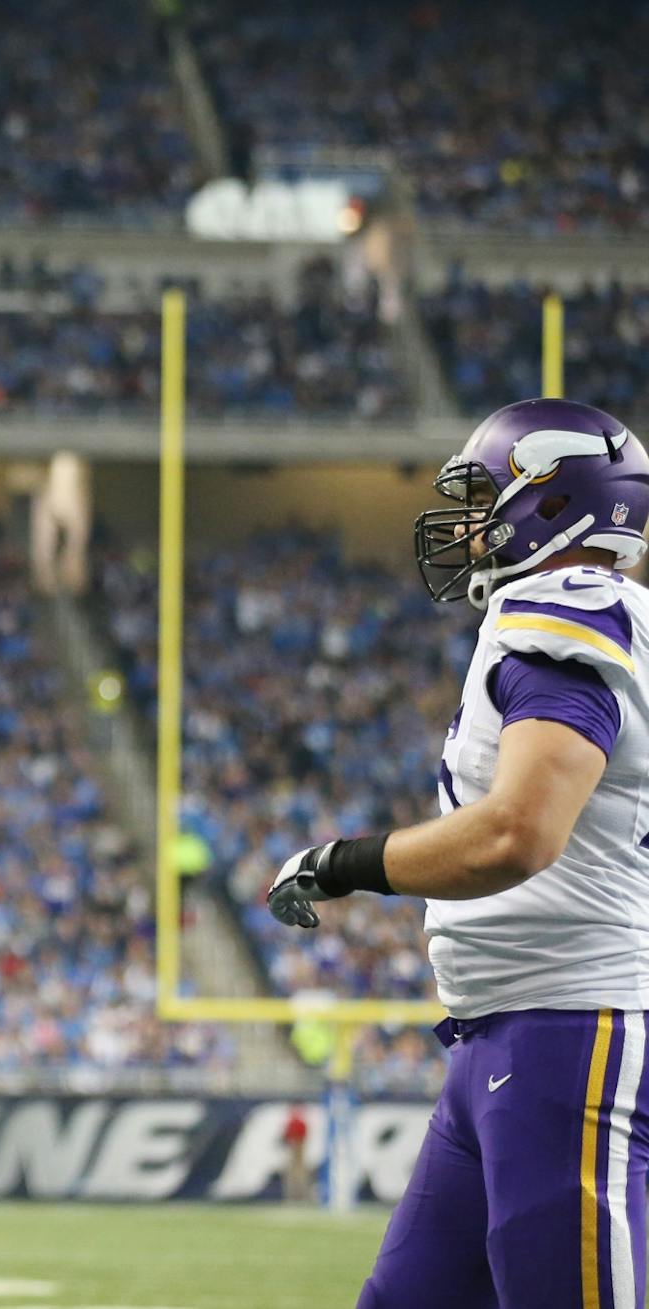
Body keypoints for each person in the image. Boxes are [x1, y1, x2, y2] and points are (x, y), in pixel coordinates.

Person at [267, 398, 649, 1308]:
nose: (470, 522)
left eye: (486, 494)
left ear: (552, 500)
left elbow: (520, 830)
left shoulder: (570, 609)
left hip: (572, 1025)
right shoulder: (570, 616)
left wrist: (343, 862)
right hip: (503, 1033)